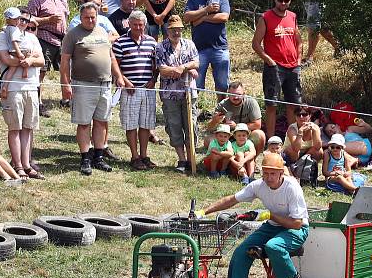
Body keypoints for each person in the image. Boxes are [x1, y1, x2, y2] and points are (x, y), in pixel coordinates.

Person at [203, 152, 309, 278]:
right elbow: (232, 200)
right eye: (266, 173)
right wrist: (204, 211)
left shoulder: (292, 188)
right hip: (272, 227)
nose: (269, 177)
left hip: (296, 229)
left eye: (273, 173)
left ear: (281, 172)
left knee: (274, 246)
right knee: (241, 252)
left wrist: (270, 215)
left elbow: (297, 223)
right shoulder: (259, 186)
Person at [60, 2, 121, 175]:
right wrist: (65, 85)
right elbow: (64, 62)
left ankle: (99, 157)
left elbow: (111, 57)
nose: (90, 20)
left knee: (101, 121)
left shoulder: (102, 31)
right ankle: (85, 158)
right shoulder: (72, 35)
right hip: (83, 84)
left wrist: (118, 76)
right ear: (80, 17)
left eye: (93, 17)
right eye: (86, 17)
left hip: (105, 84)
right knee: (84, 123)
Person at [0, 9, 45, 180]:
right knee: (15, 127)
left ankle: (27, 165)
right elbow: (5, 59)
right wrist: (25, 61)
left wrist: (29, 61)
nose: (23, 23)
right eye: (20, 19)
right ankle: (17, 166)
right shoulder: (3, 35)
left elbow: (41, 61)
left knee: (28, 128)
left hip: (31, 87)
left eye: (26, 20)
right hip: (13, 88)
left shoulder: (32, 37)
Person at [252, 0, 302, 138]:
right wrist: (268, 60)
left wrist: (299, 60)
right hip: (275, 67)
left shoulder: (293, 16)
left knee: (293, 104)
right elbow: (255, 44)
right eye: (280, 0)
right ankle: (271, 139)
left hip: (293, 66)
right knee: (271, 104)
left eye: (286, 1)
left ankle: (291, 137)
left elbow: (299, 40)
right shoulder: (266, 17)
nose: (283, 4)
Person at [112, 10, 158, 171]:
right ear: (129, 25)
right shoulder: (120, 42)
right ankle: (134, 156)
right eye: (135, 25)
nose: (138, 27)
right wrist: (125, 81)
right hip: (129, 89)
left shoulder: (152, 42)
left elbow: (156, 65)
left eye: (141, 25)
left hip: (147, 89)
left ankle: (144, 155)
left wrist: (153, 80)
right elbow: (115, 65)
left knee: (145, 124)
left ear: (145, 25)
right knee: (131, 124)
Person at [156, 15, 199, 174]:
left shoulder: (189, 44)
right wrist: (181, 70)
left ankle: (191, 159)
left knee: (191, 125)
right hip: (170, 94)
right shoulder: (161, 47)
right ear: (168, 30)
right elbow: (162, 69)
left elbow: (196, 62)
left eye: (179, 30)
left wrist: (184, 67)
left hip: (189, 93)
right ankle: (181, 159)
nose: (176, 33)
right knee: (174, 126)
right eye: (173, 30)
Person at [27, 0, 70, 118]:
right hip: (45, 38)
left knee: (66, 69)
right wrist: (47, 20)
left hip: (62, 38)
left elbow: (66, 14)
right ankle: (37, 103)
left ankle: (67, 99)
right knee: (41, 72)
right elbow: (29, 19)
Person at [183, 0, 231, 101]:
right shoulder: (194, 0)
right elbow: (187, 18)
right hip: (198, 49)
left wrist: (202, 17)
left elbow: (224, 17)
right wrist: (206, 10)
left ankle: (221, 113)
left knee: (222, 85)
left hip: (219, 48)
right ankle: (194, 114)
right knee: (196, 85)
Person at [205, 81, 266, 154]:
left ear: (244, 94)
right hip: (227, 137)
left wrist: (236, 126)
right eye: (232, 94)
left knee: (260, 135)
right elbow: (209, 128)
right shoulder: (222, 105)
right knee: (208, 140)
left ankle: (252, 158)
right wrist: (214, 121)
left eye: (239, 94)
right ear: (228, 94)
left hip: (245, 136)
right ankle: (226, 159)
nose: (236, 97)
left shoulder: (251, 102)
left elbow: (257, 125)